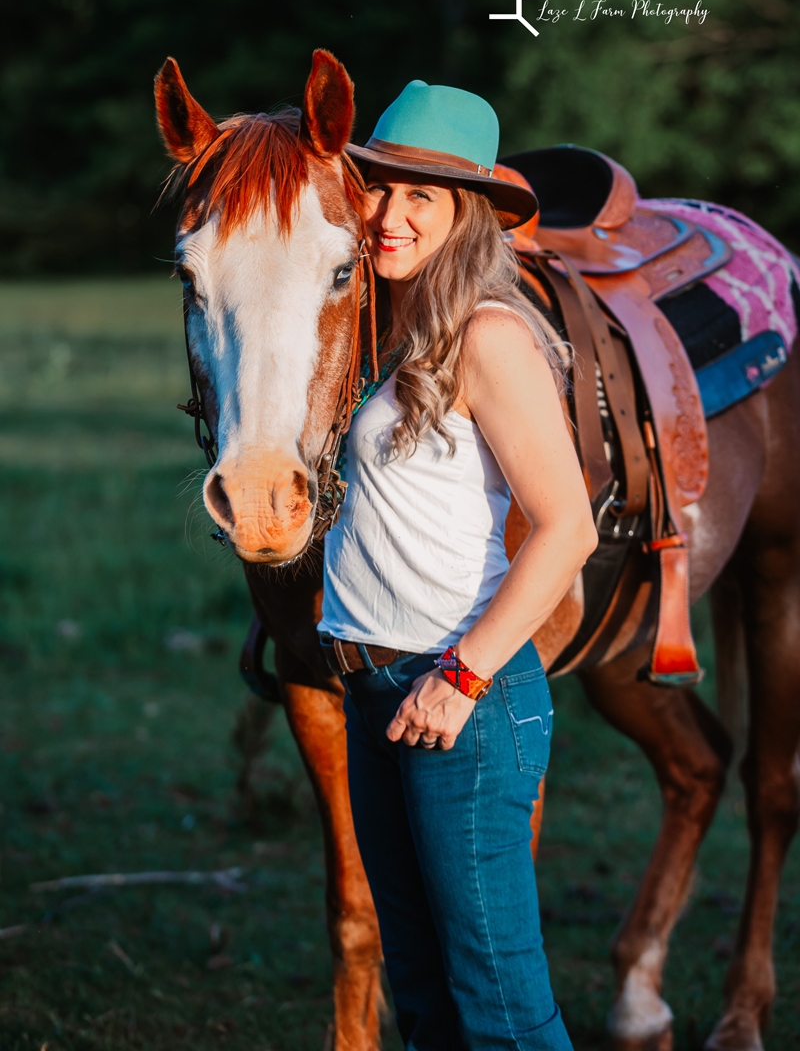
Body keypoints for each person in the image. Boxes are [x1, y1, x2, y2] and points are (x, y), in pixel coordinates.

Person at [318, 79, 598, 1050]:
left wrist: (460, 678)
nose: (388, 214)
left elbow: (566, 526)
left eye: (419, 197)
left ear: (466, 215)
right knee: (427, 996)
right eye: (381, 188)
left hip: (459, 698)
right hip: (374, 687)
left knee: (500, 1005)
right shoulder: (406, 337)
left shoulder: (489, 335)